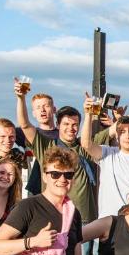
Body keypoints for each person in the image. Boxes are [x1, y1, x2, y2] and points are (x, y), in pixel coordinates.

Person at [15, 87, 98, 225]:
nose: (71, 128)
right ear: (58, 125)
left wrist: (90, 113)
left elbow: (116, 131)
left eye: (75, 125)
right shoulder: (47, 145)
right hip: (54, 216)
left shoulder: (85, 147)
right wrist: (21, 98)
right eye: (66, 124)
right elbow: (24, 125)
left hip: (84, 219)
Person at [82, 108, 129, 219]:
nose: (127, 136)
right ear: (117, 136)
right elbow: (86, 144)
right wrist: (88, 114)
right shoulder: (107, 153)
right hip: (107, 220)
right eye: (122, 132)